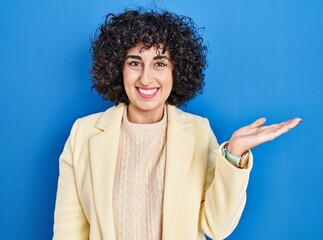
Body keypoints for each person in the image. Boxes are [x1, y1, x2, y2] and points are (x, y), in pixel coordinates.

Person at [53, 9, 301, 240]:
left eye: (159, 63)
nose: (146, 77)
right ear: (118, 68)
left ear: (177, 70)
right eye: (135, 63)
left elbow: (217, 227)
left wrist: (234, 155)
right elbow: (68, 233)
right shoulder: (83, 134)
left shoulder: (199, 132)